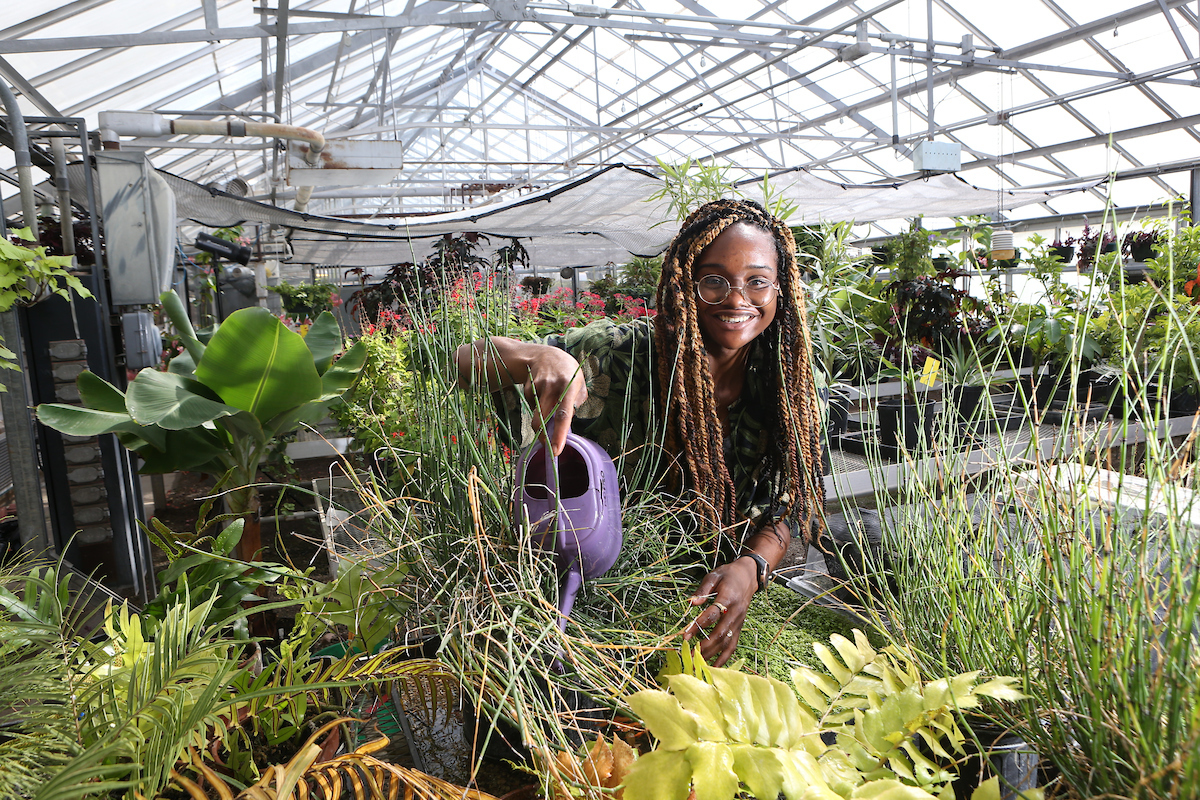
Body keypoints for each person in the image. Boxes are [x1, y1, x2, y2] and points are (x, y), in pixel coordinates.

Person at [455, 198, 825, 666]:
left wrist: (751, 568)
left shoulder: (787, 386)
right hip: (589, 606)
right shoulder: (616, 355)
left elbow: (792, 502)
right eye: (714, 280)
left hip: (703, 617)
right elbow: (455, 360)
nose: (736, 298)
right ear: (683, 285)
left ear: (781, 289)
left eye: (757, 281)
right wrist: (535, 358)